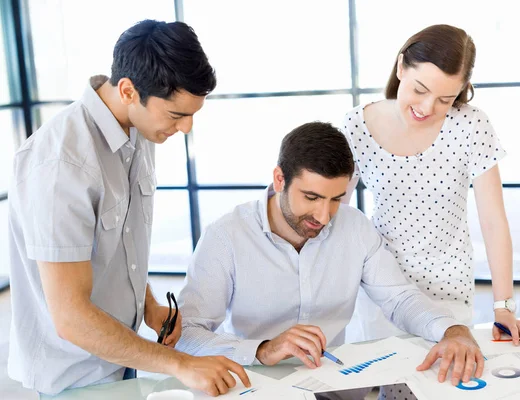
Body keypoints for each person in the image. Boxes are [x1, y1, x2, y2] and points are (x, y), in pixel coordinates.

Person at [8, 20, 248, 396]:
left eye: (192, 115)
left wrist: (149, 303)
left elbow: (113, 245)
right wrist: (181, 364)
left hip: (124, 358)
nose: (185, 129)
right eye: (176, 115)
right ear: (128, 90)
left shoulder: (138, 128)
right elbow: (70, 317)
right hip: (73, 378)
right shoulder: (61, 164)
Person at [176, 121, 485, 393]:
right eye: (311, 197)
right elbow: (187, 335)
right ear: (279, 179)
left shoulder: (355, 228)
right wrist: (262, 350)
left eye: (335, 199)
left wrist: (452, 330)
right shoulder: (226, 237)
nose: (323, 216)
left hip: (333, 386)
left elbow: (400, 299)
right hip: (257, 385)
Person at [340, 24, 520, 350]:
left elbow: (493, 222)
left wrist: (504, 307)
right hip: (382, 288)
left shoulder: (471, 125)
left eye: (445, 99)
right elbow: (336, 215)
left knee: (443, 385)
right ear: (401, 67)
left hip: (448, 290)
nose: (428, 108)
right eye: (420, 90)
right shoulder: (356, 125)